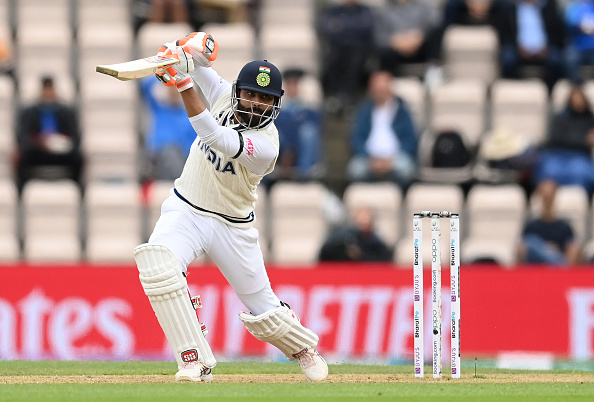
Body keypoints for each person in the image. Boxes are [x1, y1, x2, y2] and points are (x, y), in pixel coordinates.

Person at [133, 32, 328, 383]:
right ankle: (195, 361)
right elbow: (195, 66)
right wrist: (177, 52)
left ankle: (302, 347)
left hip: (232, 225)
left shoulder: (267, 145)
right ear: (239, 90)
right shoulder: (224, 94)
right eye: (251, 94)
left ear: (275, 104)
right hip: (186, 209)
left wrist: (181, 78)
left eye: (264, 99)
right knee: (158, 265)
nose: (255, 103)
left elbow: (213, 135)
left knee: (262, 307)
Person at [346, 71, 418, 188]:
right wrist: (371, 159)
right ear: (371, 90)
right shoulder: (364, 111)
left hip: (395, 158)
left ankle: (399, 197)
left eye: (383, 90)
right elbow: (356, 139)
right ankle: (367, 196)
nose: (380, 93)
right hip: (369, 158)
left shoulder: (402, 111)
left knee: (406, 168)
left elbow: (411, 140)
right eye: (377, 90)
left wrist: (390, 160)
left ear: (390, 89)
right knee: (355, 169)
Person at [15, 76, 84, 193]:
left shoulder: (66, 112)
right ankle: (21, 192)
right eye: (45, 89)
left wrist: (61, 144)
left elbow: (75, 137)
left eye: (50, 89)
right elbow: (24, 137)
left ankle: (78, 191)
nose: (48, 93)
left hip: (62, 153)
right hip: (38, 152)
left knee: (78, 157)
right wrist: (41, 144)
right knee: (23, 157)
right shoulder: (29, 112)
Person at [532, 83, 594, 194]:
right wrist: (583, 140)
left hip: (579, 157)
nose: (578, 101)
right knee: (549, 170)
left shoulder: (590, 120)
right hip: (557, 155)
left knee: (581, 172)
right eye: (575, 98)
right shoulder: (560, 118)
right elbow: (555, 138)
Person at [266, 68, 323, 185]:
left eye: (295, 84)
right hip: (282, 153)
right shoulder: (276, 111)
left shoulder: (309, 110)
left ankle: (304, 173)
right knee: (274, 133)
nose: (292, 88)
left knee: (309, 132)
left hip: (300, 150)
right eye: (290, 84)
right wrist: (287, 149)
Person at [318, 0, 375, 114]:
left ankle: (347, 97)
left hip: (359, 49)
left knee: (355, 60)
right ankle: (337, 96)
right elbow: (328, 31)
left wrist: (343, 27)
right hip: (338, 48)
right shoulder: (333, 11)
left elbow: (366, 29)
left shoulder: (365, 11)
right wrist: (352, 28)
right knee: (332, 61)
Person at [496, 0, 565, 92]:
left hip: (545, 50)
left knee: (556, 60)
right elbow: (504, 34)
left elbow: (558, 33)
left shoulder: (549, 8)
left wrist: (546, 48)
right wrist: (518, 47)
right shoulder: (511, 9)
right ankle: (512, 91)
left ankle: (550, 93)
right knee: (508, 59)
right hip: (518, 49)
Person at [139, 76, 197, 181]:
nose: (174, 92)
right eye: (172, 88)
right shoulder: (160, 108)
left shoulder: (190, 114)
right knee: (170, 154)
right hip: (160, 157)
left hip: (184, 160)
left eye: (178, 89)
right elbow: (145, 85)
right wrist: (167, 73)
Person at [373, 0, 442, 81]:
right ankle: (388, 80)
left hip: (420, 47)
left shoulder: (424, 6)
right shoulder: (382, 10)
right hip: (395, 50)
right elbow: (379, 37)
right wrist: (398, 42)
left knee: (436, 33)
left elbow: (434, 24)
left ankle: (433, 72)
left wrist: (419, 36)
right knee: (383, 51)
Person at [517, 179, 581, 265]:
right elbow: (523, 250)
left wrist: (553, 252)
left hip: (556, 266)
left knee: (532, 242)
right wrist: (546, 248)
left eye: (550, 194)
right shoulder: (531, 226)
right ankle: (558, 264)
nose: (547, 197)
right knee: (531, 242)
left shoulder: (564, 226)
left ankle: (558, 263)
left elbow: (572, 248)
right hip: (535, 267)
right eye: (545, 193)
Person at [319, 206, 393, 262]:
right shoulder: (343, 238)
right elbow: (325, 253)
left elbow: (384, 261)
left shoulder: (376, 243)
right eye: (361, 222)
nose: (364, 223)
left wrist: (360, 256)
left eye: (367, 221)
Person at [564, 0, 594, 83]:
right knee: (570, 60)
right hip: (578, 47)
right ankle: (577, 89)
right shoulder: (575, 6)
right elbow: (570, 22)